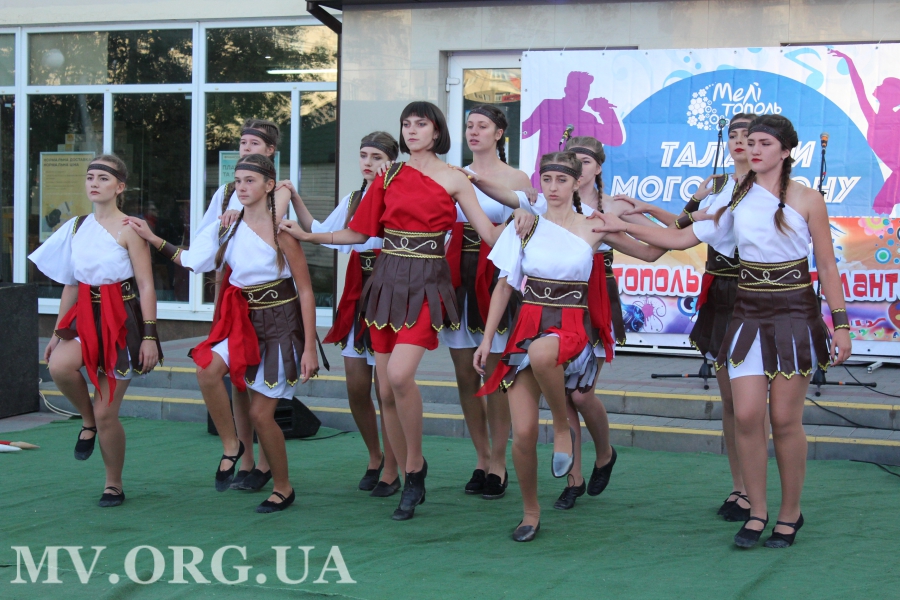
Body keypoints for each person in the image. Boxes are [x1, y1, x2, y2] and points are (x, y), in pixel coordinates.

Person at [592, 114, 852, 549]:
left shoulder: (808, 199)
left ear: (786, 151)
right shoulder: (736, 197)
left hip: (794, 314)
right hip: (747, 313)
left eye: (764, 143)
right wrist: (622, 225)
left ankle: (790, 513)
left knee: (784, 419)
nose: (753, 149)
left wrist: (840, 325)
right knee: (746, 414)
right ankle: (757, 510)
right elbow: (682, 238)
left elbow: (826, 264)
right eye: (751, 142)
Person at [279, 101, 502, 521]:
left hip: (428, 284)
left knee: (399, 376)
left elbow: (489, 233)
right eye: (406, 124)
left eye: (422, 124)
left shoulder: (455, 178)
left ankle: (415, 466)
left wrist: (532, 221)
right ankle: (408, 475)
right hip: (384, 284)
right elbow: (358, 232)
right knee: (385, 391)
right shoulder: (389, 174)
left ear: (437, 132)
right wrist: (310, 237)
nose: (412, 130)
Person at [126, 154, 319, 513]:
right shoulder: (228, 227)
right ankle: (232, 445)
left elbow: (306, 292)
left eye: (250, 181)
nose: (241, 187)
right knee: (207, 369)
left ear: (269, 186)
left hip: (281, 326)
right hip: (244, 322)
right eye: (238, 181)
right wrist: (152, 237)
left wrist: (309, 347)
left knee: (261, 415)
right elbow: (192, 261)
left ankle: (283, 487)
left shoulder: (283, 232)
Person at [473, 151, 623, 542]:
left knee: (544, 355)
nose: (553, 187)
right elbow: (504, 285)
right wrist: (487, 339)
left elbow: (655, 250)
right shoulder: (525, 223)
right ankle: (530, 512)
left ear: (577, 183)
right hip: (527, 326)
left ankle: (560, 427)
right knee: (522, 434)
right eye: (547, 180)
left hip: (571, 326)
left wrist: (687, 216)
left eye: (562, 180)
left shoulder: (594, 226)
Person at [615, 115, 758, 522]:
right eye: (733, 135)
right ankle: (739, 487)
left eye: (749, 136)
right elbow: (682, 229)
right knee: (729, 401)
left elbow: (689, 231)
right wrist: (644, 210)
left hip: (753, 294)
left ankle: (757, 492)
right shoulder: (717, 185)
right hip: (720, 293)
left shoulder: (765, 189)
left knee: (750, 406)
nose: (740, 142)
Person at [31, 155, 162, 508]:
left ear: (120, 187)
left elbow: (147, 285)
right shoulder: (76, 226)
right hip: (84, 317)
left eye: (103, 178)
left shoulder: (130, 229)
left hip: (122, 321)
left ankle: (113, 483)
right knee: (59, 366)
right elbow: (71, 284)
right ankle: (86, 421)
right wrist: (58, 332)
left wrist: (150, 336)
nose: (94, 183)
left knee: (108, 414)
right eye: (90, 177)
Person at [287, 131, 402, 497]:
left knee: (387, 390)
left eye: (376, 157)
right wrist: (295, 198)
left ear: (392, 161)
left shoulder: (400, 195)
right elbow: (322, 231)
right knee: (356, 387)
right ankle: (374, 456)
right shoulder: (354, 199)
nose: (368, 162)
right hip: (358, 294)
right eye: (364, 155)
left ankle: (394, 467)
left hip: (391, 293)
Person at [198, 118, 294, 493]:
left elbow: (270, 221)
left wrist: (238, 216)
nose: (246, 148)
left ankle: (266, 465)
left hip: (268, 292)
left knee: (259, 383)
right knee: (235, 378)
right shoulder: (226, 191)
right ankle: (246, 457)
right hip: (233, 290)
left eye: (254, 144)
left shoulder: (278, 188)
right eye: (242, 143)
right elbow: (208, 239)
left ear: (270, 151)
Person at [442, 105, 531, 499]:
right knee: (465, 375)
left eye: (482, 126)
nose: (473, 132)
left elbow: (525, 229)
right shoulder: (452, 173)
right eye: (469, 126)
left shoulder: (517, 178)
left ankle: (499, 462)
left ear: (499, 133)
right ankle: (480, 458)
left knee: (494, 376)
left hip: (495, 276)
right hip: (457, 277)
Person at [522, 71, 623, 186]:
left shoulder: (588, 118)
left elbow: (616, 139)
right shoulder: (549, 107)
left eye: (584, 92)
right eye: (577, 92)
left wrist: (605, 110)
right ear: (566, 90)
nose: (581, 97)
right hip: (546, 180)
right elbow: (524, 131)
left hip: (575, 183)